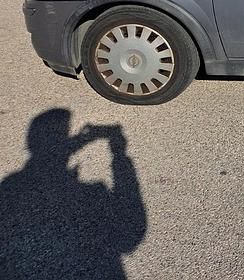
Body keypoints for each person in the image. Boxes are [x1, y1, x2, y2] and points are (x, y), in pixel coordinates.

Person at [0, 109, 146, 279]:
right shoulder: (92, 195)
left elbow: (49, 159)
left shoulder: (12, 185)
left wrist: (84, 139)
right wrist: (118, 151)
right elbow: (131, 235)